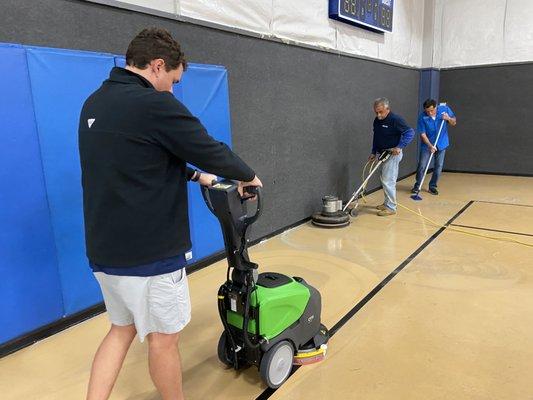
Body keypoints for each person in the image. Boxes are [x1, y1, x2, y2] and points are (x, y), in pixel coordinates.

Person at [78, 28, 262, 400]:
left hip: (104, 253)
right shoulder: (154, 104)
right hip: (151, 257)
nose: (173, 90)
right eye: (174, 80)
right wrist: (248, 175)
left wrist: (199, 176)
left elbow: (138, 158)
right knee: (164, 341)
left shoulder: (95, 102)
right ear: (158, 66)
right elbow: (207, 146)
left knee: (121, 329)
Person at [369, 98, 415, 216]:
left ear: (387, 109)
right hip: (382, 153)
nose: (378, 115)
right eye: (376, 112)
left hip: (392, 154)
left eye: (381, 112)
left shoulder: (396, 119)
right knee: (384, 179)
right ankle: (387, 203)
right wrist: (374, 152)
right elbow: (376, 137)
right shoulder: (377, 120)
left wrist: (399, 147)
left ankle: (391, 207)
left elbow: (410, 132)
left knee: (388, 180)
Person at [412, 99, 457, 195]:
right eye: (427, 111)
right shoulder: (422, 117)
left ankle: (432, 186)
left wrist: (448, 118)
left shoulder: (444, 110)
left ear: (436, 107)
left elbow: (454, 122)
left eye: (432, 110)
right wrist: (430, 146)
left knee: (438, 166)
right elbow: (423, 135)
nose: (429, 113)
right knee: (422, 166)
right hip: (427, 144)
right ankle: (417, 185)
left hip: (442, 143)